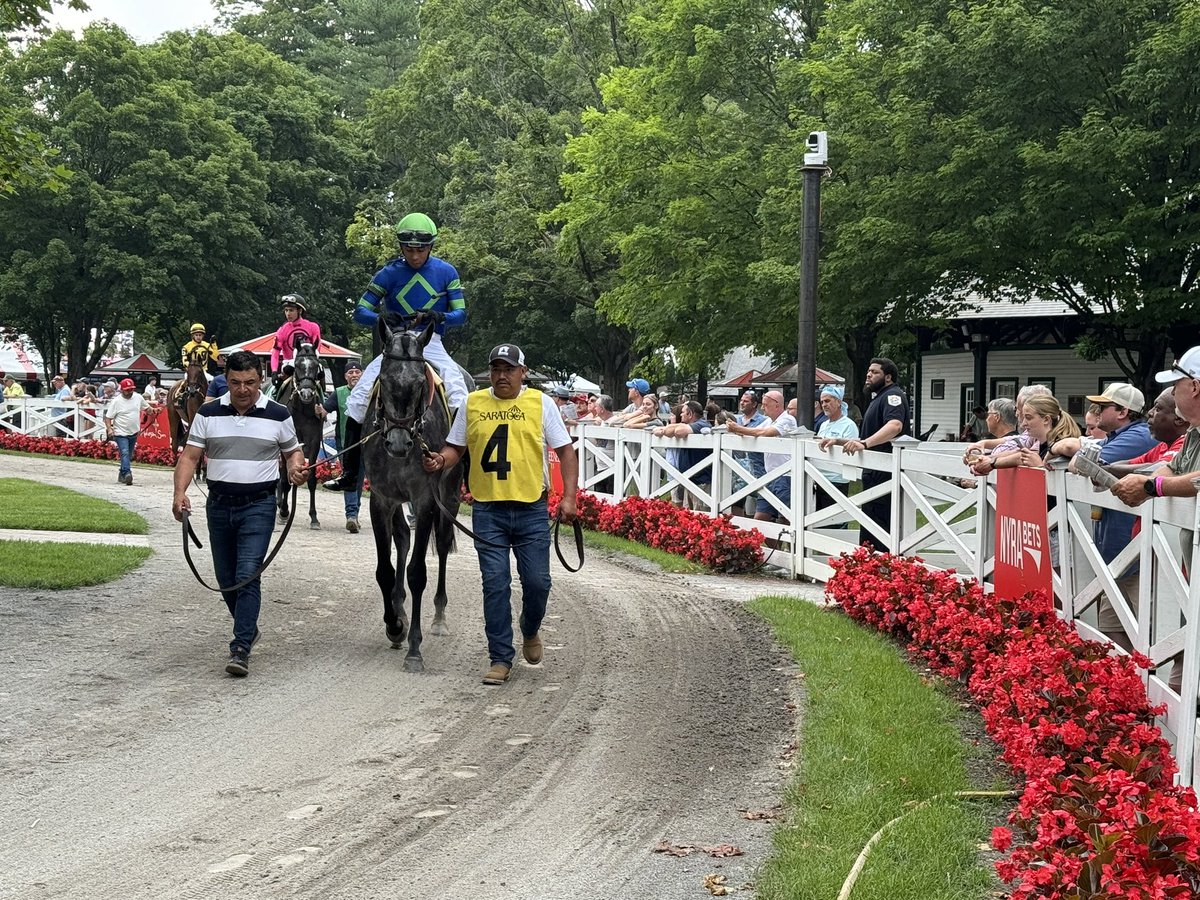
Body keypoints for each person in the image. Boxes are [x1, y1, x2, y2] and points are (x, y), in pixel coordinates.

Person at [421, 343, 578, 686]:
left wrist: (569, 497)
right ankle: (500, 657)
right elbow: (456, 447)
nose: (502, 375)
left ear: (523, 372)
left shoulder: (541, 404)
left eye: (509, 369)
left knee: (538, 582)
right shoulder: (472, 403)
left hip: (531, 509)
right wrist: (440, 461)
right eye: (496, 369)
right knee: (495, 584)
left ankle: (530, 628)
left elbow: (565, 452)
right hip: (488, 509)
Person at [172, 351, 308, 678]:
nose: (243, 389)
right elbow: (190, 457)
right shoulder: (207, 412)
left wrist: (296, 470)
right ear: (226, 380)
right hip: (218, 504)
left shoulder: (278, 414)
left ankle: (241, 646)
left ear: (261, 379)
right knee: (226, 579)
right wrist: (179, 494)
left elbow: (293, 452)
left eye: (249, 382)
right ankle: (248, 625)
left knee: (248, 573)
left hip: (259, 505)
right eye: (235, 382)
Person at [324, 212, 467, 491]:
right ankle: (350, 473)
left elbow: (461, 313)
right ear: (401, 247)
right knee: (356, 400)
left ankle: (469, 470)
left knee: (460, 396)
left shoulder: (446, 272)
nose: (415, 255)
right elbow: (360, 310)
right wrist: (381, 318)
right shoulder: (388, 273)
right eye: (409, 249)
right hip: (395, 344)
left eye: (421, 249)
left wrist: (439, 316)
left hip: (431, 343)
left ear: (431, 247)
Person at [1052, 384, 1156, 564]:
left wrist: (1076, 457)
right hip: (1119, 540)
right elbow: (1076, 463)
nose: (1097, 412)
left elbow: (1080, 463)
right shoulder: (1113, 436)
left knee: (1133, 589)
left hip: (1131, 545)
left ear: (1123, 412)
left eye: (1103, 407)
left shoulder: (1139, 435)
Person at [841, 358, 911, 548]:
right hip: (874, 469)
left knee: (881, 522)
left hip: (885, 470)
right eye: (868, 372)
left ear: (888, 377)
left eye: (875, 372)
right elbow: (870, 435)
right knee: (870, 521)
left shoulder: (892, 396)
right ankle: (868, 567)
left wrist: (865, 443)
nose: (869, 375)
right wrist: (842, 441)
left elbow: (895, 426)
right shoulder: (878, 397)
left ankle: (881, 569)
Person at [725, 390, 799, 524]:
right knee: (760, 519)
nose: (762, 407)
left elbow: (765, 433)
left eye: (765, 404)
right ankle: (774, 546)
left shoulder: (787, 419)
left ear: (777, 405)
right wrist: (735, 429)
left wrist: (739, 429)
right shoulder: (770, 420)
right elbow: (753, 433)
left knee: (785, 517)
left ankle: (789, 545)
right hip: (770, 476)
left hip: (786, 476)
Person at [321, 360, 366, 532]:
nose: (354, 375)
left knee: (359, 479)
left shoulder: (370, 392)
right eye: (350, 373)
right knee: (351, 477)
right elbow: (324, 411)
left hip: (367, 443)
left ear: (362, 374)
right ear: (345, 376)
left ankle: (354, 513)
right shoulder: (338, 393)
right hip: (345, 445)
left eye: (357, 372)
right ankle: (351, 515)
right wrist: (317, 409)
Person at [654, 400, 712, 509]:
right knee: (687, 515)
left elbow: (678, 432)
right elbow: (660, 431)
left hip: (701, 481)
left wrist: (667, 429)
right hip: (689, 480)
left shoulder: (701, 424)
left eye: (683, 412)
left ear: (690, 414)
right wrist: (666, 429)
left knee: (700, 514)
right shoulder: (691, 425)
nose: (680, 414)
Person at [814, 384, 859, 513]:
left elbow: (851, 452)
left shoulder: (849, 426)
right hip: (820, 478)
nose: (824, 405)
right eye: (822, 402)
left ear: (838, 402)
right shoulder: (823, 425)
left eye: (827, 401)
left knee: (834, 520)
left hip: (837, 480)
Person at [270, 294, 322, 388]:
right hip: (289, 363)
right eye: (286, 310)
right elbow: (275, 353)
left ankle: (324, 397)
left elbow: (317, 349)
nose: (288, 313)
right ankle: (274, 395)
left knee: (321, 372)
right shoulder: (282, 330)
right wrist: (274, 371)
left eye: (291, 310)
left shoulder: (313, 327)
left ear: (300, 311)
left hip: (308, 361)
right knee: (288, 370)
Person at [103, 378, 149, 485]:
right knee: (124, 452)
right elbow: (108, 417)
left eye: (131, 389)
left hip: (133, 432)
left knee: (128, 454)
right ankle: (128, 473)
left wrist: (154, 410)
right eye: (127, 390)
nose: (130, 392)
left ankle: (122, 474)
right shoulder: (117, 401)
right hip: (120, 433)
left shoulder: (138, 397)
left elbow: (147, 408)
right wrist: (110, 429)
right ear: (122, 390)